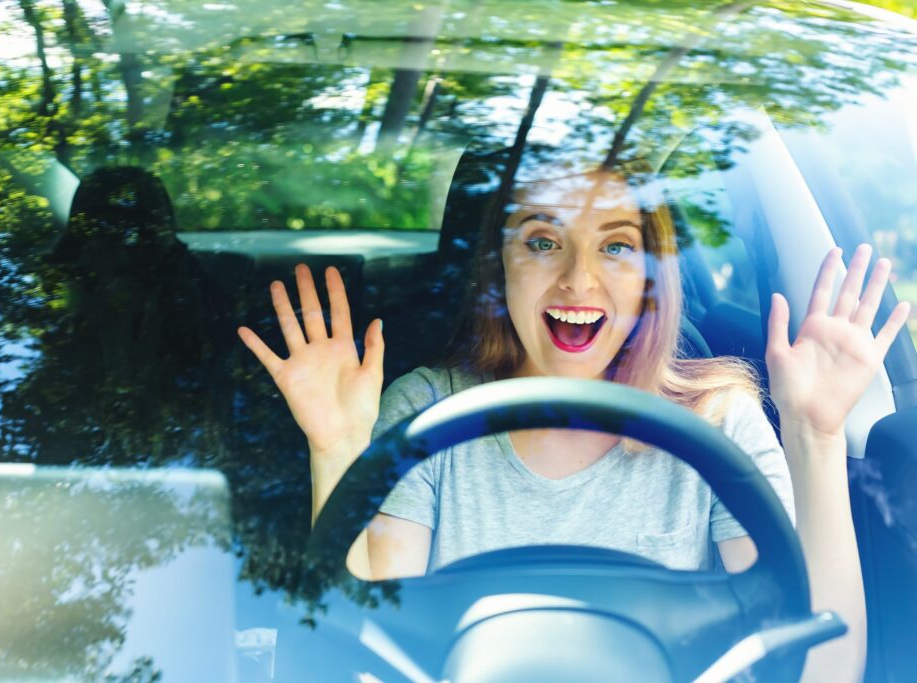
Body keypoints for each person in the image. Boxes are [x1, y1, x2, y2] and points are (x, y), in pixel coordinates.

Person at [236, 162, 910, 683]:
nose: (578, 280)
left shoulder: (720, 423)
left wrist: (816, 434)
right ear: (500, 268)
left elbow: (820, 669)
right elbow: (363, 657)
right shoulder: (422, 413)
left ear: (653, 279)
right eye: (542, 240)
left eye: (615, 248)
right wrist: (337, 448)